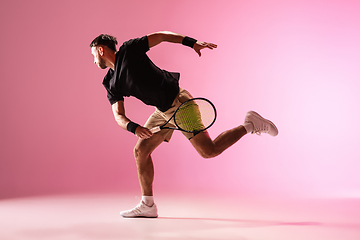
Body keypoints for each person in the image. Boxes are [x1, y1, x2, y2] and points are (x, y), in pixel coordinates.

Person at [90, 31, 278, 218]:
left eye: (93, 55)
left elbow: (161, 36)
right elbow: (119, 115)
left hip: (179, 103)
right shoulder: (110, 82)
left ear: (100, 50)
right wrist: (135, 128)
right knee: (140, 151)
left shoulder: (129, 50)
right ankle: (148, 205)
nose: (93, 60)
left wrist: (192, 43)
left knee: (208, 151)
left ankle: (250, 124)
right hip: (162, 112)